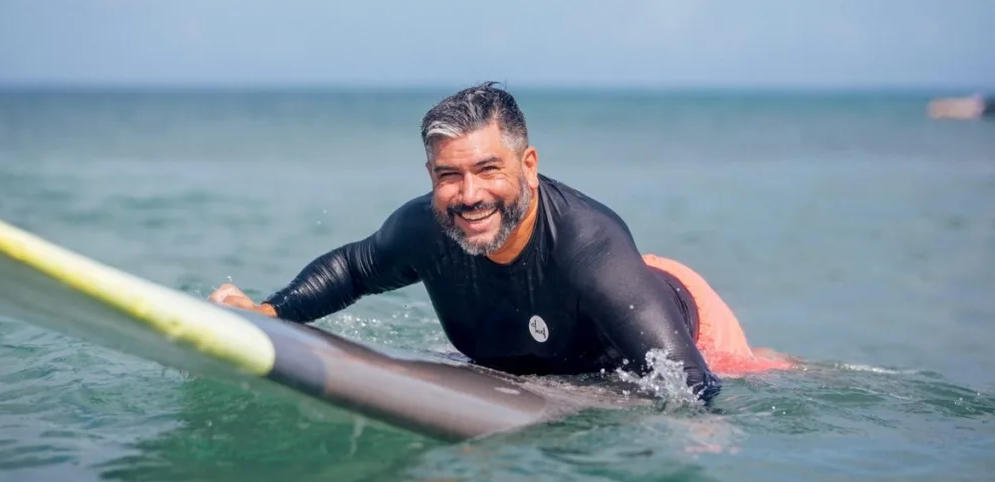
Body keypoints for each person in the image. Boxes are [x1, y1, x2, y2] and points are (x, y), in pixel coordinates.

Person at [209, 82, 791, 402]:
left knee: (749, 372)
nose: (469, 195)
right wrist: (270, 311)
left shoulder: (592, 253)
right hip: (565, 336)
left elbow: (693, 388)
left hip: (681, 311)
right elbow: (356, 268)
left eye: (489, 169)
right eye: (448, 176)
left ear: (529, 165)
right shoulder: (427, 229)